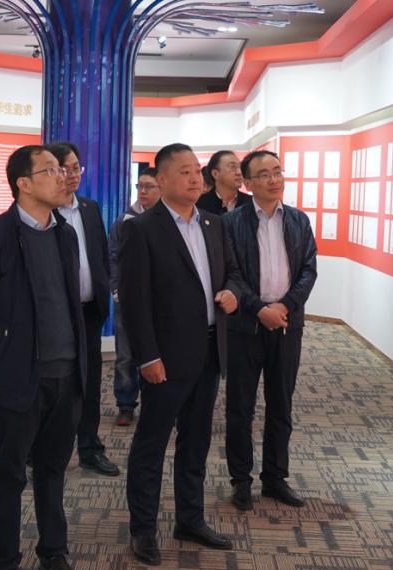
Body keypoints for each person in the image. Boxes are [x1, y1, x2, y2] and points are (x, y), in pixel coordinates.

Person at [0, 145, 85, 570]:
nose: (62, 176)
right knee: (9, 472)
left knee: (53, 469)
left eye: (62, 169)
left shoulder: (65, 234)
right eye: (50, 170)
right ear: (24, 184)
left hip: (66, 373)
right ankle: (4, 558)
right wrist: (5, 352)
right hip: (20, 376)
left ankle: (54, 551)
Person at [119, 142, 244, 566]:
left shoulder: (214, 223)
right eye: (185, 171)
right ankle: (143, 530)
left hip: (209, 351)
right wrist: (147, 357)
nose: (195, 178)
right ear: (163, 179)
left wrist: (232, 293)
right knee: (151, 445)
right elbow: (134, 301)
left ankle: (190, 519)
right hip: (166, 358)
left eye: (197, 171)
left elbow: (232, 274)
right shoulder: (142, 229)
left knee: (196, 442)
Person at [223, 150, 318, 511]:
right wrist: (260, 309)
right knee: (240, 407)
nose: (274, 179)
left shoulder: (298, 220)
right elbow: (231, 274)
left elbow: (308, 269)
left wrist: (284, 307)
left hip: (286, 326)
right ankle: (241, 480)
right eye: (264, 174)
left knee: (281, 404)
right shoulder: (231, 223)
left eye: (277, 172)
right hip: (245, 326)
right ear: (247, 183)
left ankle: (275, 478)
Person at [44, 142, 117, 478]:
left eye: (76, 168)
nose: (72, 175)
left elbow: (100, 255)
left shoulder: (89, 207)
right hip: (56, 316)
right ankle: (43, 450)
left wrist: (103, 293)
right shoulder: (45, 211)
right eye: (65, 168)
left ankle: (90, 449)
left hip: (89, 313)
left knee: (89, 384)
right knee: (55, 385)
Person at [108, 167, 161, 426]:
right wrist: (116, 288)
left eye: (149, 187)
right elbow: (112, 257)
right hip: (127, 299)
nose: (143, 191)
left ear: (161, 187)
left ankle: (156, 405)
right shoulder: (125, 220)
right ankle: (126, 405)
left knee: (159, 354)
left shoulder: (168, 219)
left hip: (159, 301)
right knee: (126, 355)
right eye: (140, 186)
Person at [196, 150, 251, 215]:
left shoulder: (251, 203)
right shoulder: (199, 205)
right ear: (215, 174)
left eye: (240, 167)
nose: (239, 172)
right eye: (232, 167)